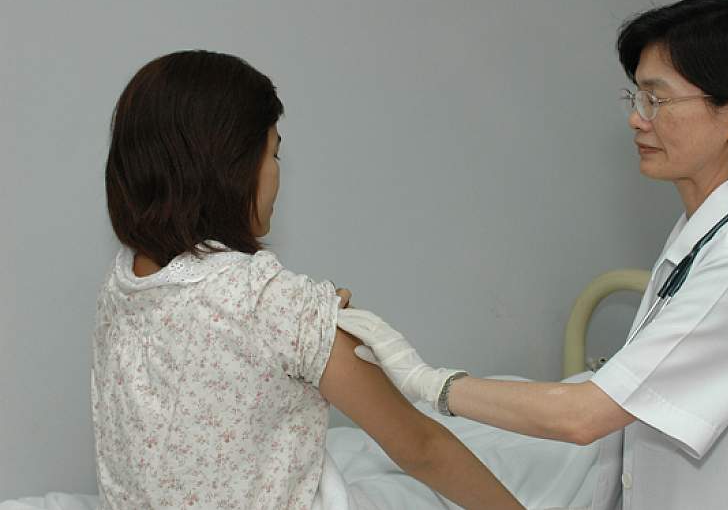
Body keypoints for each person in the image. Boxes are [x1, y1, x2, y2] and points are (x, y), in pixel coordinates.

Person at [339, 0, 728, 509]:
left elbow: (584, 415)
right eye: (636, 98)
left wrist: (426, 382)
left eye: (658, 99)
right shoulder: (705, 231)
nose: (637, 117)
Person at [92, 50, 523, 509]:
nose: (278, 173)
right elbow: (422, 448)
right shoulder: (269, 301)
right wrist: (308, 320)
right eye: (273, 153)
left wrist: (309, 328)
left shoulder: (123, 285)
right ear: (229, 167)